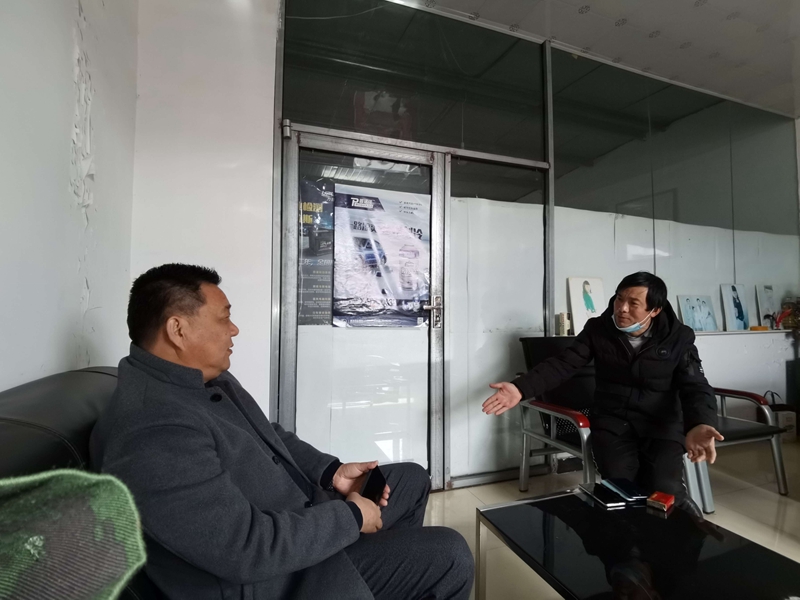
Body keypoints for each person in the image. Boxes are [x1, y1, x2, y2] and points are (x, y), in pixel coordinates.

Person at [90, 264, 473, 600]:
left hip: (298, 517)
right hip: (283, 580)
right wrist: (351, 518)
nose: (234, 329)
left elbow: (266, 432)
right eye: (224, 318)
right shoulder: (152, 428)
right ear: (178, 329)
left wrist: (331, 473)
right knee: (449, 554)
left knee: (411, 478)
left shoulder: (203, 380)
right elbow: (244, 550)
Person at [482, 272, 723, 506]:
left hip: (660, 425)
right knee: (620, 486)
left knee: (664, 488)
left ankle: (681, 522)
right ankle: (628, 532)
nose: (622, 308)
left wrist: (700, 422)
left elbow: (695, 384)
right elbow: (564, 364)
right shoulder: (599, 329)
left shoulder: (678, 337)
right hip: (614, 422)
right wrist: (521, 388)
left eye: (633, 303)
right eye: (619, 298)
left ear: (654, 310)